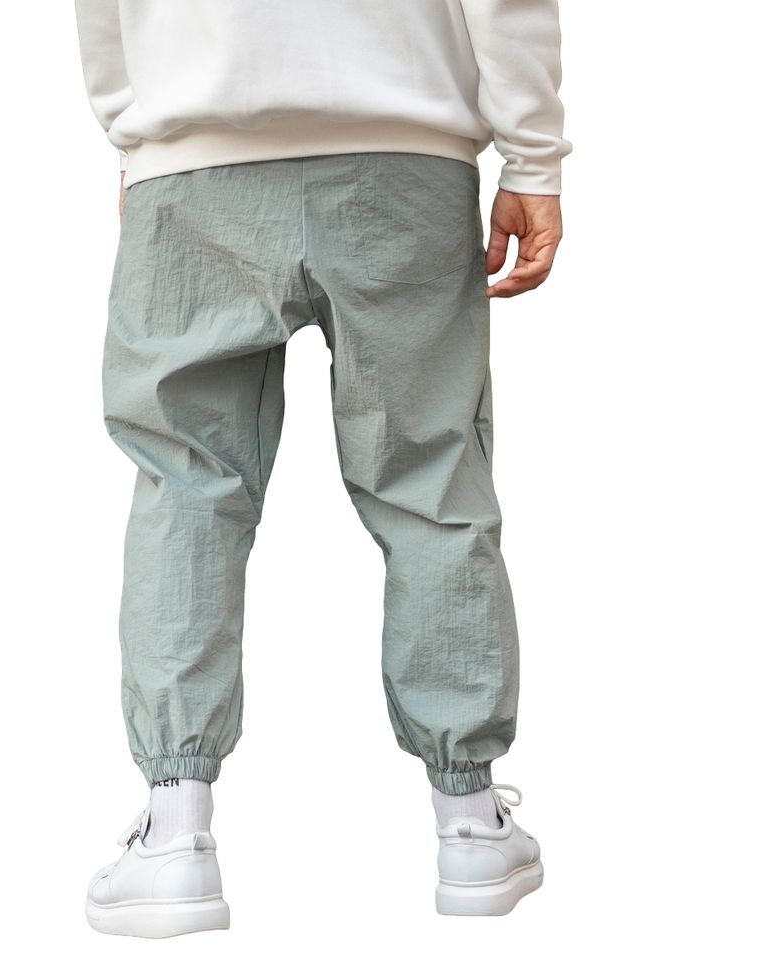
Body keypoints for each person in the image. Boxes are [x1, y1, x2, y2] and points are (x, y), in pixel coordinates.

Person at [74, 0, 571, 937]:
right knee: (430, 483)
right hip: (403, 154)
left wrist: (135, 138)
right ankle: (470, 823)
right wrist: (532, 159)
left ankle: (173, 837)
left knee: (187, 486)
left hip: (194, 155)